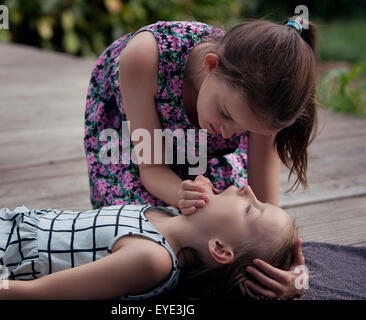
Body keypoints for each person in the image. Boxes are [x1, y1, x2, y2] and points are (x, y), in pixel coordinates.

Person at [84, 16, 314, 299]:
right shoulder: (145, 56)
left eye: (245, 130)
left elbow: (264, 216)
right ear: (211, 65)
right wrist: (181, 193)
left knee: (227, 239)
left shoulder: (261, 104)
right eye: (227, 115)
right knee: (145, 238)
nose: (230, 135)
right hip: (136, 145)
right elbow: (152, 168)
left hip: (199, 149)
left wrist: (293, 275)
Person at [0, 178, 302, 300]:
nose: (248, 188)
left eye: (251, 209)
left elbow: (36, 292)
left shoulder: (151, 258)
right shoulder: (167, 215)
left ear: (219, 249)